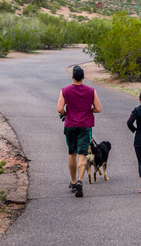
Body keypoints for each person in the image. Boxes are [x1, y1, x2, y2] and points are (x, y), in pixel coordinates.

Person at [57, 65, 101, 197]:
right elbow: (98, 109)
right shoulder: (91, 91)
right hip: (85, 125)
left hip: (70, 125)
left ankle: (73, 181)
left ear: (72, 77)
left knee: (72, 153)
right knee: (82, 154)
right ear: (83, 77)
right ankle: (81, 181)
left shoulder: (65, 90)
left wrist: (67, 113)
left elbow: (59, 109)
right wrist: (89, 110)